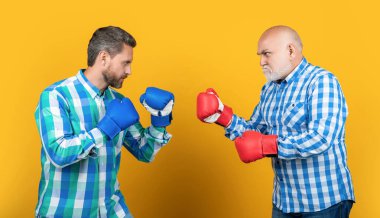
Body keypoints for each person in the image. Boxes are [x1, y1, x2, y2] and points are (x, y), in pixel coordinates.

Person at [197, 25, 355, 217]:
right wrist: (222, 115)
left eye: (267, 54)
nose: (261, 62)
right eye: (259, 56)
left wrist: (268, 145)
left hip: (323, 202)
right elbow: (254, 132)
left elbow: (321, 139)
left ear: (291, 51)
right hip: (284, 201)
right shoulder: (270, 89)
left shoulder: (321, 81)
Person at [34, 26, 174, 217]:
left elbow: (145, 152)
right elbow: (58, 153)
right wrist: (105, 129)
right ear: (104, 58)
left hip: (110, 210)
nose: (130, 71)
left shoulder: (118, 102)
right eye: (125, 63)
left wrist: (160, 120)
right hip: (65, 211)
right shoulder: (57, 95)